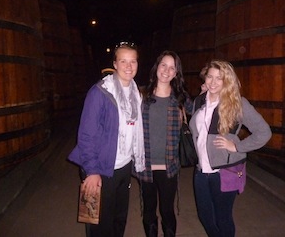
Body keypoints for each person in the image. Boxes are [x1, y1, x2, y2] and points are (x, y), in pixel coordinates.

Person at [68, 41, 145, 237]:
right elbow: (86, 135)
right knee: (98, 223)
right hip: (100, 169)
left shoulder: (136, 92)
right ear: (115, 64)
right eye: (123, 61)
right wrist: (92, 171)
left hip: (124, 166)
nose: (129, 66)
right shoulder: (100, 92)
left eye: (133, 61)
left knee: (119, 219)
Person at [189, 60, 272, 237]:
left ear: (227, 81)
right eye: (210, 76)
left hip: (225, 172)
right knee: (205, 217)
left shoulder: (237, 103)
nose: (213, 82)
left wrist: (237, 146)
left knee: (223, 218)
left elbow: (264, 132)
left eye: (219, 78)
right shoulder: (199, 100)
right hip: (201, 171)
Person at [137, 51, 192, 237]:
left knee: (167, 211)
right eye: (163, 65)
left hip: (169, 166)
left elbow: (207, 109)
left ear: (176, 73)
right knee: (149, 211)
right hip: (145, 166)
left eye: (172, 67)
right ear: (156, 67)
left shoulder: (181, 99)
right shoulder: (141, 96)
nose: (167, 70)